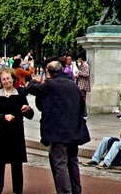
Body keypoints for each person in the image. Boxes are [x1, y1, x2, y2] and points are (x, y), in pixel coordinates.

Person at [22, 60, 89, 194]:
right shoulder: (72, 85)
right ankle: (76, 189)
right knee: (72, 161)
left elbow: (31, 88)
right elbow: (82, 106)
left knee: (59, 163)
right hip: (73, 129)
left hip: (58, 131)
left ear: (49, 72)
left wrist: (35, 81)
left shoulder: (50, 85)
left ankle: (64, 191)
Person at [0, 68, 32, 194]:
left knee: (17, 164)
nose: (6, 81)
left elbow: (29, 114)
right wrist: (2, 116)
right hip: (0, 134)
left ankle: (18, 190)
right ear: (0, 81)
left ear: (13, 78)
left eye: (8, 78)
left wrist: (27, 109)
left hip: (16, 134)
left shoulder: (20, 93)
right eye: (3, 79)